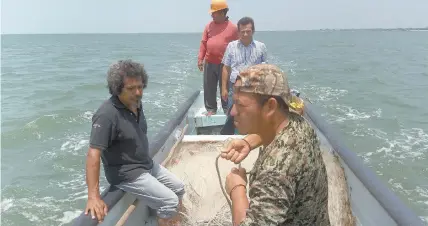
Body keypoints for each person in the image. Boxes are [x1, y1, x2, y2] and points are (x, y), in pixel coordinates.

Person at [220, 64, 330, 225]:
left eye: (241, 105)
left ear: (270, 106)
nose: (233, 112)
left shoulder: (275, 171)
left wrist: (237, 189)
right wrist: (248, 142)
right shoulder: (299, 124)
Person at [84, 60, 185, 226]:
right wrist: (93, 197)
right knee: (170, 201)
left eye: (140, 86)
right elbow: (93, 155)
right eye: (131, 88)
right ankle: (164, 220)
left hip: (145, 164)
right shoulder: (106, 115)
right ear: (117, 89)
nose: (138, 92)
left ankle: (164, 218)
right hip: (127, 174)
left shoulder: (135, 103)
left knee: (179, 188)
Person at [198, 0, 239, 116]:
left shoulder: (233, 28)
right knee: (209, 87)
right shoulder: (208, 26)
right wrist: (200, 59)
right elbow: (203, 43)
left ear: (222, 12)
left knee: (225, 87)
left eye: (213, 12)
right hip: (209, 62)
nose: (211, 15)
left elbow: (238, 46)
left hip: (225, 65)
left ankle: (227, 109)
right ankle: (211, 109)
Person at [221, 16, 268, 113]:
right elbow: (226, 68)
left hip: (254, 88)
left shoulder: (261, 47)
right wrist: (224, 88)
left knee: (252, 115)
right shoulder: (231, 46)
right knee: (232, 115)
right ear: (238, 32)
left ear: (253, 31)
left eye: (248, 31)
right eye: (242, 31)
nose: (245, 34)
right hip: (234, 87)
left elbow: (266, 69)